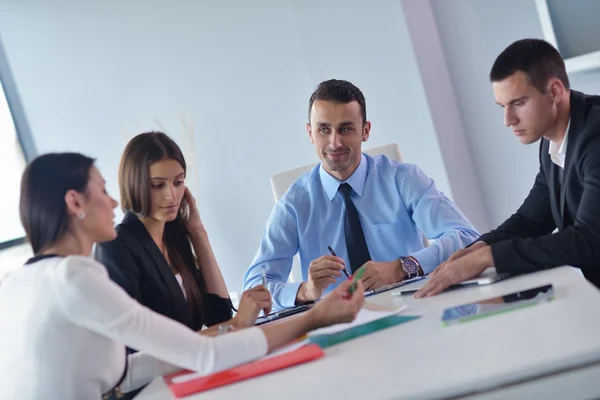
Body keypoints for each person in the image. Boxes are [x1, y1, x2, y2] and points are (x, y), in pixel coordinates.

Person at [0, 152, 364, 399]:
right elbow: (204, 356)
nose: (113, 203)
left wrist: (228, 330)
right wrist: (314, 317)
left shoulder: (18, 283)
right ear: (75, 202)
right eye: (103, 191)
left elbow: (123, 371)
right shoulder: (74, 275)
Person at [243, 79, 479, 309]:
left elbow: (467, 236)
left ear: (365, 131)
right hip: (339, 329)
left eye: (345, 128)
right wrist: (305, 290)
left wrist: (404, 267)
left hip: (414, 310)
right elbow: (254, 290)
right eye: (324, 129)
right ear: (310, 133)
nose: (334, 142)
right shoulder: (294, 204)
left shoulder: (403, 179)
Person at [417, 39, 600, 298]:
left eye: (519, 103)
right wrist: (478, 248)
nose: (508, 120)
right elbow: (531, 220)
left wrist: (489, 258)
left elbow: (590, 240)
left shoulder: (596, 135)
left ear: (556, 91)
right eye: (502, 106)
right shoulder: (553, 143)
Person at [96, 132, 258, 334]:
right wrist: (237, 323)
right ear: (134, 184)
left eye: (178, 182)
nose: (171, 195)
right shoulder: (117, 245)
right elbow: (138, 345)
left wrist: (198, 233)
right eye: (157, 185)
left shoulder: (174, 238)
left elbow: (219, 316)